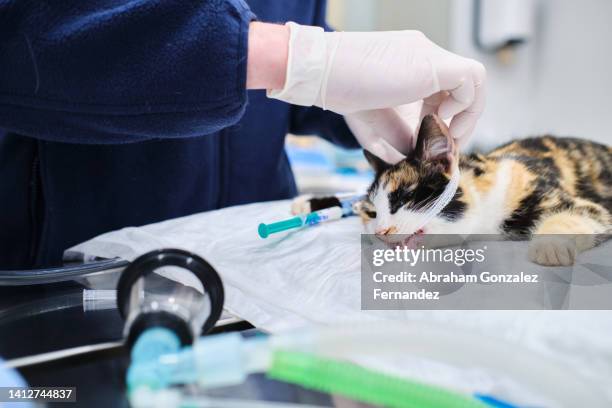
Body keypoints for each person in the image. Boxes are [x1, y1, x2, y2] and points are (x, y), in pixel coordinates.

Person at [0, 0, 485, 269]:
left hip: (258, 263)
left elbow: (290, 43)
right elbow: (22, 40)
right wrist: (298, 61)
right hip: (76, 278)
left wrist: (361, 98)